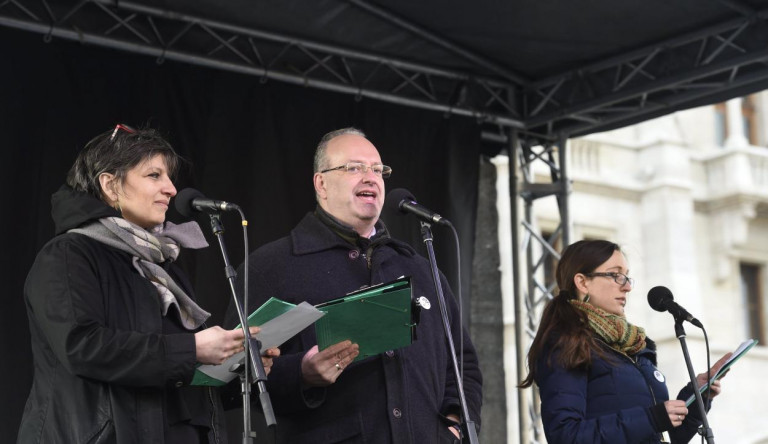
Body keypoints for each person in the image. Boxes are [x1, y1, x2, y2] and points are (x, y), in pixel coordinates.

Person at [18, 124, 278, 444]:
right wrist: (194, 348)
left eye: (168, 177)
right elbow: (82, 347)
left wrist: (237, 368)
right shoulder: (69, 255)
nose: (170, 188)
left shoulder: (162, 266)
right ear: (110, 185)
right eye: (154, 175)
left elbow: (173, 376)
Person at [224, 127, 483, 443]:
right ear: (321, 183)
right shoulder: (272, 266)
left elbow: (463, 364)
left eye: (377, 170)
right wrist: (301, 375)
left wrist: (454, 426)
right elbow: (231, 376)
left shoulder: (419, 267)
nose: (370, 177)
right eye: (353, 168)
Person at [520, 239, 731, 444]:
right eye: (615, 275)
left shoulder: (635, 346)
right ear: (582, 282)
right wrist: (651, 418)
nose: (627, 287)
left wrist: (696, 398)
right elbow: (565, 435)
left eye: (627, 277)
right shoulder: (567, 343)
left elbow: (664, 437)